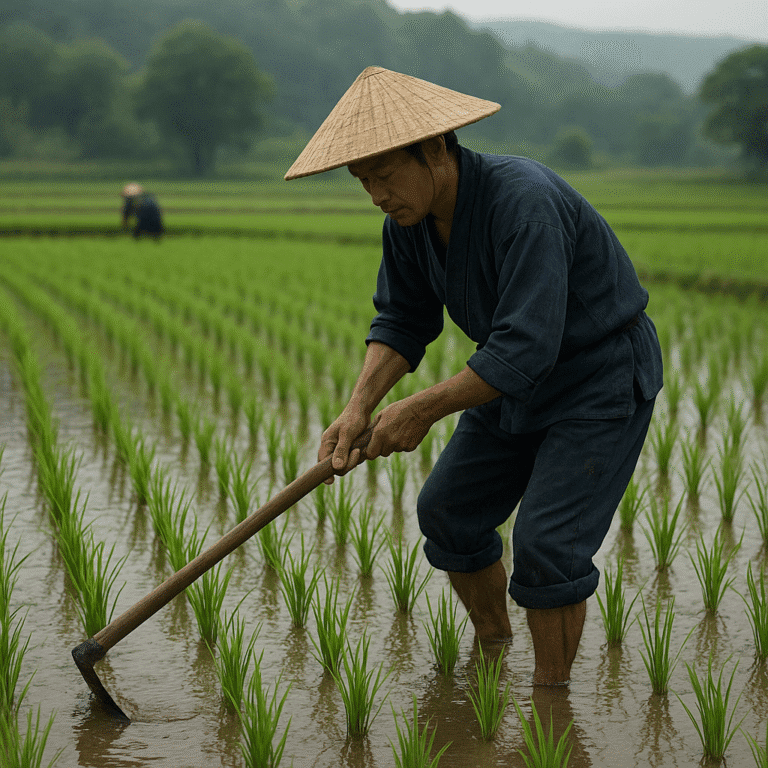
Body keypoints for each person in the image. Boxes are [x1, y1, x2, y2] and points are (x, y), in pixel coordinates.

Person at [285, 66, 663, 686]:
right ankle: (493, 653)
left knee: (546, 545)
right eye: (363, 181)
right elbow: (403, 320)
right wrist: (358, 408)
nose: (377, 194)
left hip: (596, 378)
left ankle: (550, 703)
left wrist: (421, 408)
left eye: (385, 174)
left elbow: (526, 346)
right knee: (449, 510)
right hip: (511, 376)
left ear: (435, 149)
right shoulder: (409, 224)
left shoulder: (523, 202)